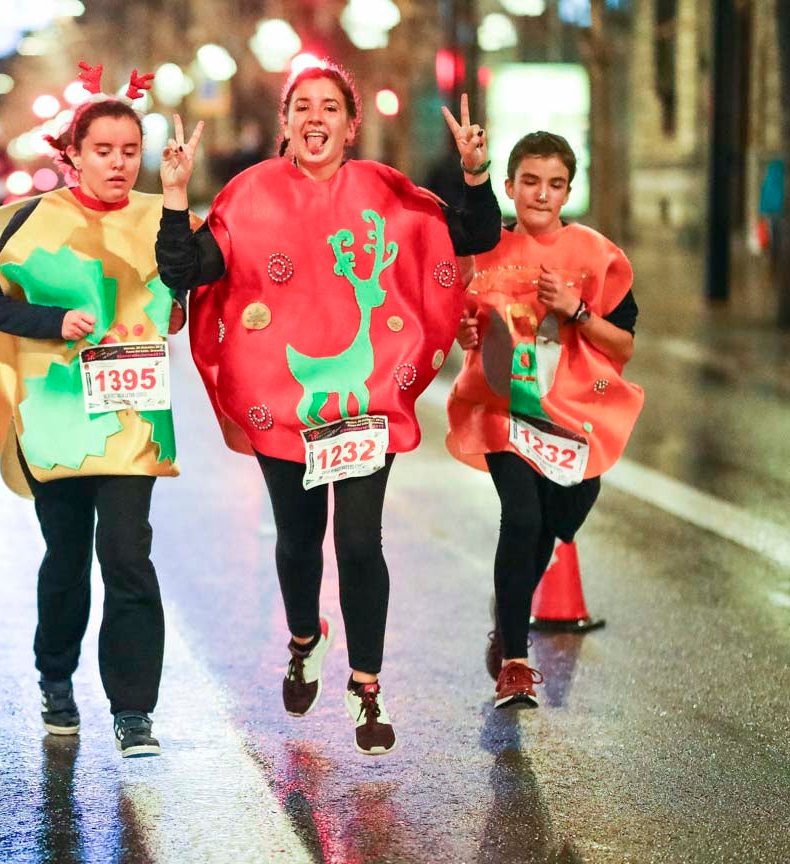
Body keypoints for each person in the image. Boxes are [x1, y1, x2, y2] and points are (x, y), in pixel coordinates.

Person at [156, 62, 501, 756]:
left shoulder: (386, 192)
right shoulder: (248, 194)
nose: (316, 118)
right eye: (303, 107)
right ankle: (303, 638)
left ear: (351, 125)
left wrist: (474, 173)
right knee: (298, 538)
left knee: (359, 541)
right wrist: (172, 196)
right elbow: (183, 269)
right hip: (282, 403)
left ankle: (367, 684)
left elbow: (470, 233)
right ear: (286, 124)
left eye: (330, 108)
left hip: (365, 401)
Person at [0, 63, 192, 759]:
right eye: (103, 151)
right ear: (74, 155)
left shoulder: (161, 215)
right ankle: (55, 679)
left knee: (126, 554)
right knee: (66, 556)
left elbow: (192, 277)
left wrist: (175, 196)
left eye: (129, 151)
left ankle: (134, 709)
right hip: (55, 417)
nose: (118, 164)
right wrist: (55, 321)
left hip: (132, 419)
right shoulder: (35, 221)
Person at [446, 131, 643, 708]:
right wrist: (464, 333)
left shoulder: (594, 255)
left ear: (568, 192)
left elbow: (623, 346)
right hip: (504, 409)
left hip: (574, 416)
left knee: (559, 519)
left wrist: (575, 310)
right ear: (509, 187)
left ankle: (505, 618)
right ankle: (514, 660)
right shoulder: (488, 251)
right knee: (523, 515)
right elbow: (462, 322)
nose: (541, 194)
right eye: (530, 182)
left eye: (555, 184)